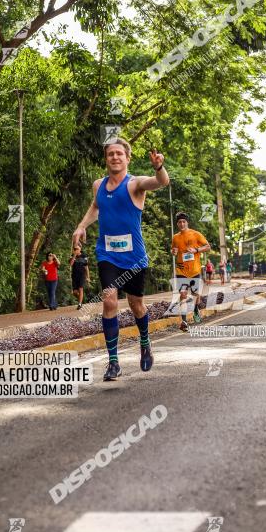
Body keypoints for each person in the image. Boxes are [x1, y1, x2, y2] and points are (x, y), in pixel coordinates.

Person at [72, 138, 169, 382]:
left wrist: (159, 167)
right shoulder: (98, 185)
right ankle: (113, 362)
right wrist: (81, 226)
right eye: (110, 154)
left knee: (137, 305)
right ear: (106, 159)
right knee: (109, 300)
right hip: (107, 254)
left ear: (127, 158)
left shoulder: (135, 184)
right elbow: (96, 207)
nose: (115, 157)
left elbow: (161, 182)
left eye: (119, 154)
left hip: (134, 257)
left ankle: (145, 343)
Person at [171, 213, 211, 332]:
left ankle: (195, 309)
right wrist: (173, 251)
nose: (182, 224)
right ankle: (184, 321)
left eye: (184, 221)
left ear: (187, 222)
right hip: (181, 270)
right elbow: (173, 250)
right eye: (179, 222)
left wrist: (196, 250)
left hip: (194, 270)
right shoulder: (175, 237)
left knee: (195, 295)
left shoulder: (196, 234)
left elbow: (208, 246)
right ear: (177, 224)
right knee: (182, 294)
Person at [69, 245, 90, 310]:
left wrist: (88, 277)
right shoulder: (72, 256)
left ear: (80, 248)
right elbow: (71, 264)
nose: (76, 250)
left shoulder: (84, 256)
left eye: (77, 248)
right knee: (75, 292)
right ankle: (80, 299)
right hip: (74, 275)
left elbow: (86, 267)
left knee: (81, 288)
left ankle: (80, 304)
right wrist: (74, 256)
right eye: (75, 249)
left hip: (82, 275)